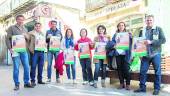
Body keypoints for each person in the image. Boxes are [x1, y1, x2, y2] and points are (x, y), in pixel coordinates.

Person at [134, 15, 166, 95]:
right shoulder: (142, 31)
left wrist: (151, 42)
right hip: (145, 55)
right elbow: (139, 42)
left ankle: (156, 88)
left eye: (150, 20)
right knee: (142, 71)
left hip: (156, 53)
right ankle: (142, 87)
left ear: (153, 21)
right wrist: (139, 53)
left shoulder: (158, 29)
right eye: (147, 20)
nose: (149, 21)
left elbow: (163, 40)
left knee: (157, 72)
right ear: (145, 21)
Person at [6, 15, 34, 90]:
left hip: (23, 50)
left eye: (22, 20)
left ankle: (26, 82)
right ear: (16, 20)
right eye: (19, 19)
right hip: (15, 50)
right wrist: (10, 49)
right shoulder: (11, 28)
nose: (21, 21)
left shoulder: (25, 28)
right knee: (16, 68)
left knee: (27, 66)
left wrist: (26, 36)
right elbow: (8, 39)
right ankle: (16, 84)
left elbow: (28, 39)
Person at [111, 22, 132, 90]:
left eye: (122, 25)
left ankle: (128, 84)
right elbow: (113, 42)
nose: (121, 26)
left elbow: (132, 42)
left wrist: (131, 37)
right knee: (119, 69)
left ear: (124, 26)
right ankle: (121, 83)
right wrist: (114, 45)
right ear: (118, 27)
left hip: (126, 54)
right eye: (119, 25)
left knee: (126, 69)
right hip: (118, 54)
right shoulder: (115, 35)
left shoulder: (128, 34)